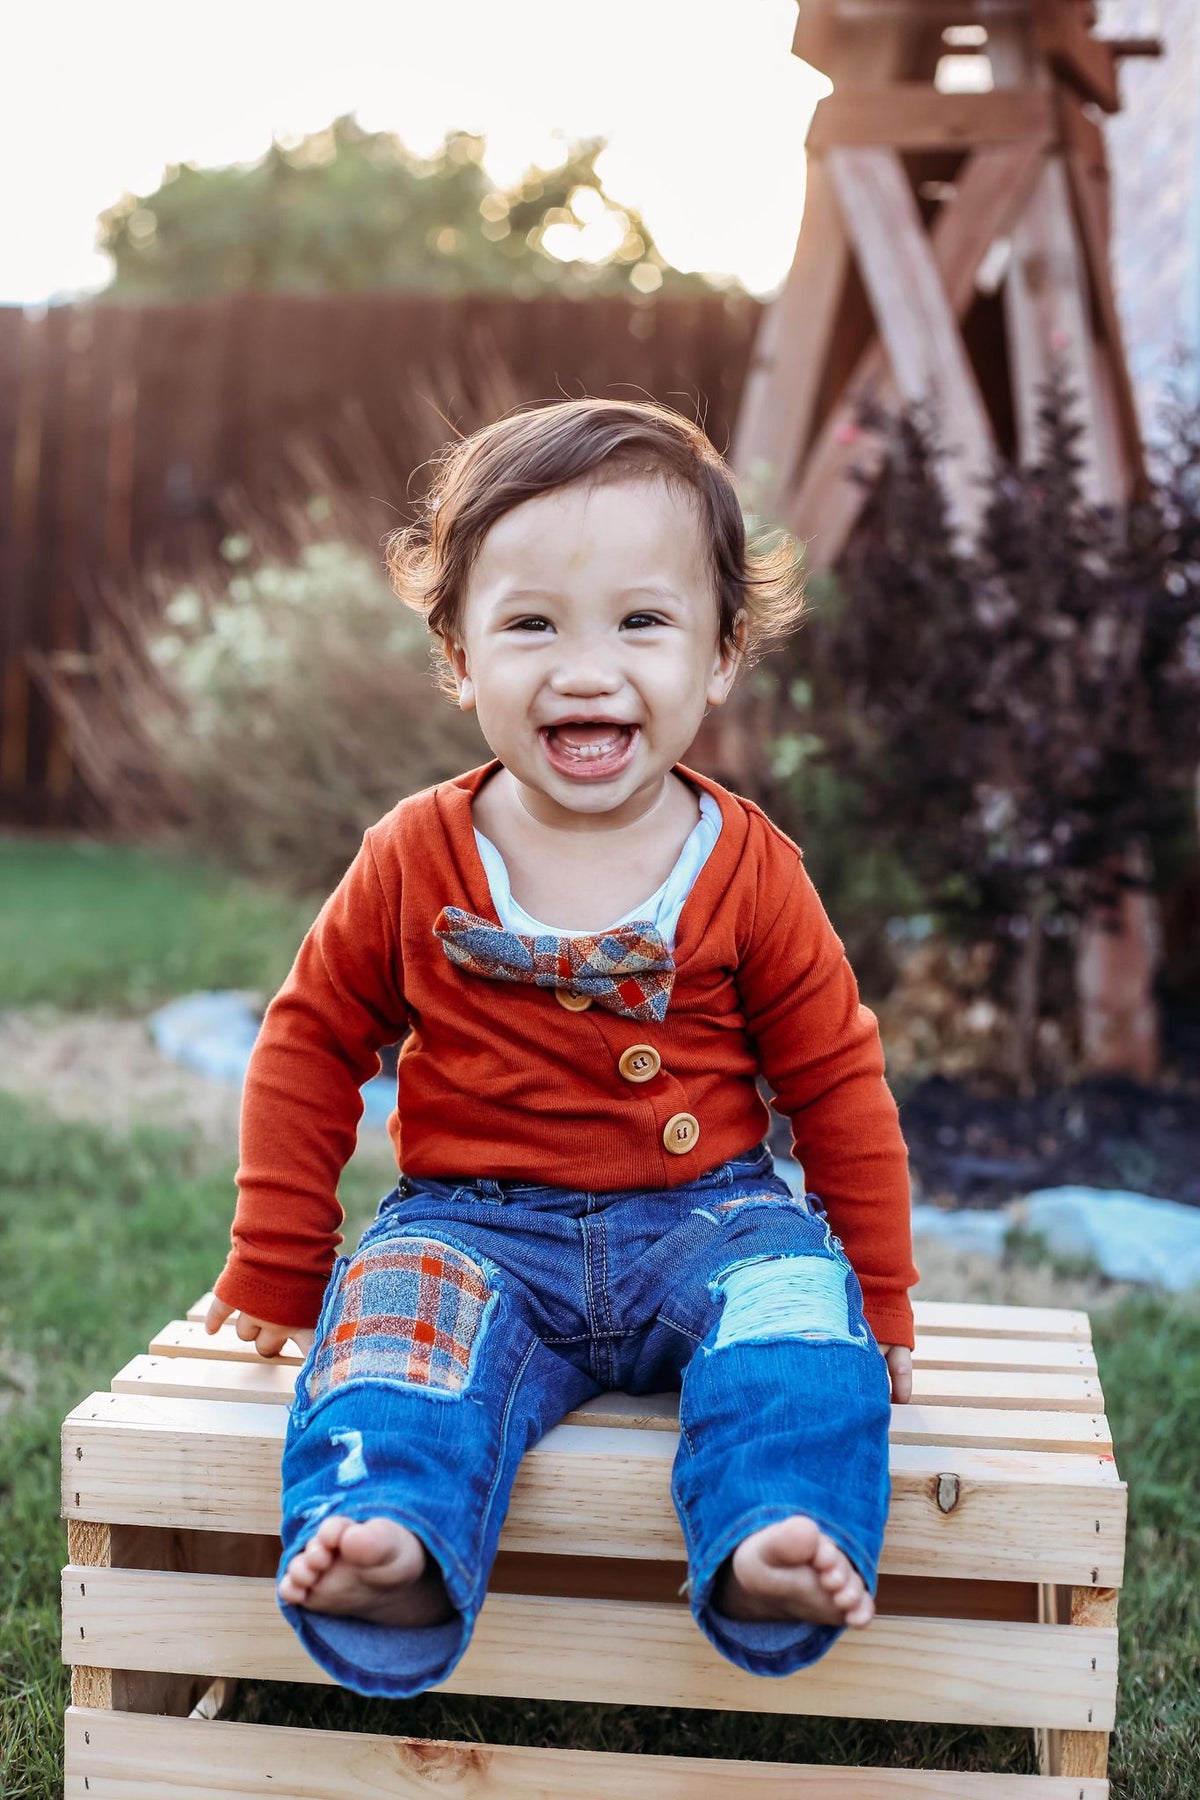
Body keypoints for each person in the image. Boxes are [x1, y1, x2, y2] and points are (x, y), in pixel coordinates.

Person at [205, 397, 919, 1699]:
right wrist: (276, 1256)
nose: (586, 669)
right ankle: (392, 1540)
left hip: (712, 1220)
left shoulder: (750, 868)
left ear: (720, 656)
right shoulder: (414, 856)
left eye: (642, 622)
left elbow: (832, 1077)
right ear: (460, 659)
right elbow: (310, 1043)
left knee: (797, 1320)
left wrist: (879, 1286)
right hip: (474, 1226)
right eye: (531, 624)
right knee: (390, 1331)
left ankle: (773, 1525)